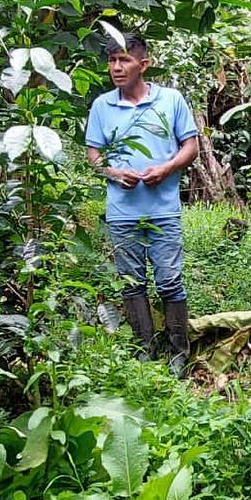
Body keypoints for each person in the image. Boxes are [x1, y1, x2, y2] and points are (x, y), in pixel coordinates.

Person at [85, 32, 200, 375]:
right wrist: (113, 172)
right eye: (112, 61)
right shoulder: (102, 106)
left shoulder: (171, 100)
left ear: (143, 65)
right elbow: (92, 155)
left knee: (169, 279)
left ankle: (179, 350)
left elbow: (191, 147)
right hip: (122, 211)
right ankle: (144, 350)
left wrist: (167, 168)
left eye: (124, 60)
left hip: (163, 209)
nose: (116, 67)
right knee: (131, 281)